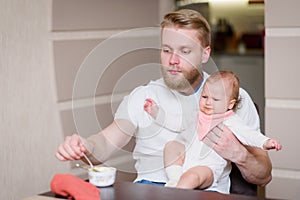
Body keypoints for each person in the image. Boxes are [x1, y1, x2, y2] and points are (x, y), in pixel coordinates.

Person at [56, 9, 272, 192]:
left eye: (184, 51)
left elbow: (264, 175)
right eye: (166, 50)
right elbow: (103, 144)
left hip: (206, 192)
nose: (173, 61)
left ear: (205, 54)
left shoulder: (232, 98)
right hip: (148, 190)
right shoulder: (143, 97)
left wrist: (239, 154)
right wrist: (84, 147)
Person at [143, 70, 281, 193]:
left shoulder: (230, 120)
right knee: (172, 146)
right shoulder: (197, 115)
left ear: (230, 104)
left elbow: (249, 135)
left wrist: (266, 142)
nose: (208, 102)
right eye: (204, 97)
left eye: (215, 99)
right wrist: (156, 113)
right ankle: (175, 180)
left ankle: (177, 193)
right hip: (185, 164)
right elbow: (176, 122)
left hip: (209, 170)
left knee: (193, 176)